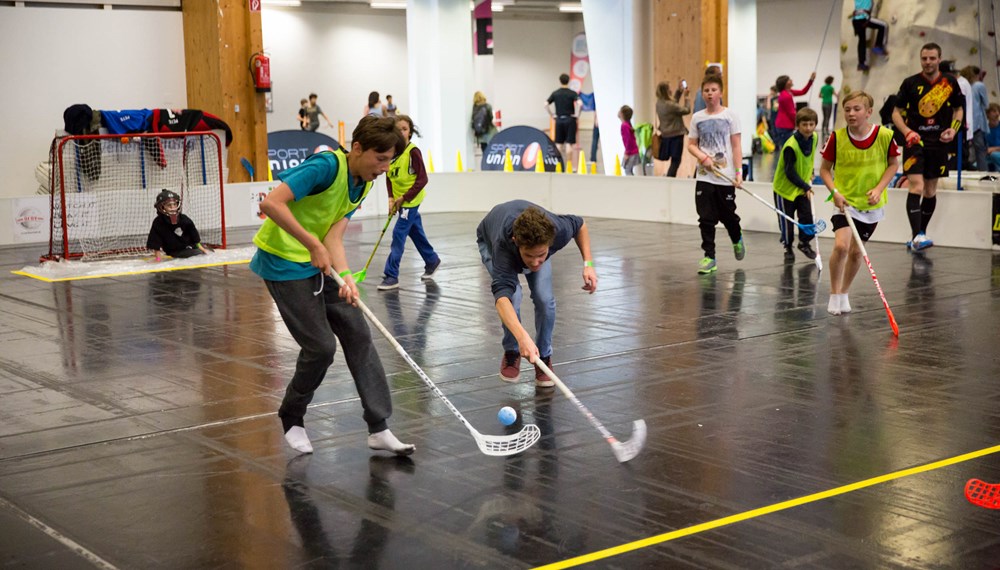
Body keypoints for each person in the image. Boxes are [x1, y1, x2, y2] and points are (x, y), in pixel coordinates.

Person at [250, 115, 414, 456]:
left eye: (390, 161)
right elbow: (271, 203)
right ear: (357, 148)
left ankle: (379, 427)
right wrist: (312, 244)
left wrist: (347, 277)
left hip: (320, 261)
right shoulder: (325, 167)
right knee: (322, 348)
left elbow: (334, 235)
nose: (384, 167)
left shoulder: (365, 182)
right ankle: (292, 415)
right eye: (380, 158)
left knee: (358, 333)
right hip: (283, 262)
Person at [476, 200, 597, 388]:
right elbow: (501, 299)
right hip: (489, 241)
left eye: (541, 254)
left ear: (550, 242)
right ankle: (511, 352)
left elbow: (580, 224)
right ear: (516, 242)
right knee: (512, 296)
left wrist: (588, 265)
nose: (535, 263)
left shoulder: (557, 230)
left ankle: (544, 357)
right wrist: (522, 337)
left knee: (545, 299)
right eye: (529, 256)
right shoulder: (504, 247)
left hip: (531, 242)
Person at [818, 90, 900, 315]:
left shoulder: (884, 136)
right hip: (844, 202)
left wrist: (879, 188)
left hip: (871, 205)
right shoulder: (837, 137)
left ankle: (844, 292)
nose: (851, 114)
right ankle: (834, 293)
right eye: (847, 110)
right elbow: (824, 170)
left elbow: (893, 164)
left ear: (869, 112)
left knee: (856, 253)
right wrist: (834, 191)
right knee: (841, 246)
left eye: (857, 109)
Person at [892, 42, 964, 251]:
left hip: (939, 143)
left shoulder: (949, 82)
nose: (928, 62)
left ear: (939, 59)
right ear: (920, 59)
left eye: (932, 58)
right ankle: (916, 236)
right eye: (924, 58)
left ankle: (920, 233)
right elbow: (895, 112)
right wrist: (907, 132)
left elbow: (958, 110)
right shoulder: (910, 83)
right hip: (915, 142)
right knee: (917, 186)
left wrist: (953, 129)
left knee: (931, 191)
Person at [687, 74, 746, 275]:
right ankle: (709, 257)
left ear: (720, 92)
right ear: (702, 93)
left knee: (728, 215)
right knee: (706, 217)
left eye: (713, 90)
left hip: (726, 175)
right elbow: (691, 145)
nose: (710, 94)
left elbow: (737, 146)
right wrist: (703, 158)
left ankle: (736, 237)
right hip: (704, 175)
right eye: (706, 90)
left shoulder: (730, 116)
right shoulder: (697, 118)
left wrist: (739, 172)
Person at [378, 115, 442, 290]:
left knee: (399, 234)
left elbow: (422, 179)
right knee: (415, 231)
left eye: (405, 129)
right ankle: (432, 260)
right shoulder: (391, 153)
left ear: (410, 132)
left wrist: (404, 198)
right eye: (398, 129)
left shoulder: (413, 152)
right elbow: (388, 176)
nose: (401, 132)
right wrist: (391, 198)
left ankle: (391, 275)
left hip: (411, 200)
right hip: (399, 200)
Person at [772, 107, 819, 262]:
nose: (808, 128)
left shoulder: (815, 138)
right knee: (787, 222)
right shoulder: (790, 146)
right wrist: (806, 186)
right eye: (804, 125)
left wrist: (810, 172)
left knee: (807, 217)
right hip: (785, 189)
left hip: (801, 187)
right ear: (797, 125)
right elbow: (789, 172)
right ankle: (788, 247)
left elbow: (810, 157)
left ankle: (804, 243)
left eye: (811, 124)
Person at [147, 189, 208, 261]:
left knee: (201, 253)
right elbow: (155, 242)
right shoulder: (158, 222)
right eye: (169, 205)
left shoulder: (184, 218)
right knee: (196, 254)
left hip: (191, 247)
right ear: (162, 207)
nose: (172, 208)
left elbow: (194, 235)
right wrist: (158, 258)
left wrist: (202, 249)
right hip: (174, 251)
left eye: (174, 204)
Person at [545, 74, 581, 171]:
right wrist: (577, 114)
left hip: (559, 119)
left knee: (559, 144)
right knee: (569, 143)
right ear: (568, 81)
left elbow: (545, 104)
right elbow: (580, 104)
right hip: (570, 119)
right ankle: (569, 165)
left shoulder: (555, 93)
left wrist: (552, 115)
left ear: (560, 81)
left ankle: (558, 165)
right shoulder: (572, 93)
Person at [654, 81, 690, 177]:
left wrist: (679, 91)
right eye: (669, 88)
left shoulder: (659, 103)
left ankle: (669, 177)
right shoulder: (670, 105)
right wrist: (686, 98)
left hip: (666, 135)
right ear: (666, 91)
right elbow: (686, 110)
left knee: (673, 159)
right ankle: (670, 178)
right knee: (676, 160)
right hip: (676, 136)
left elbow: (673, 103)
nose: (671, 90)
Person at [773, 72, 816, 152]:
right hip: (784, 126)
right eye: (789, 79)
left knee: (787, 148)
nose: (791, 80)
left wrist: (811, 80)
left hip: (783, 126)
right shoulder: (786, 96)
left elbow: (803, 92)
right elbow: (792, 113)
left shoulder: (788, 92)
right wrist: (798, 124)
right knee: (788, 149)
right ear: (785, 83)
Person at [962, 66, 989, 171]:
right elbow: (986, 104)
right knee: (980, 150)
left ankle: (968, 169)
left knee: (967, 150)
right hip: (977, 122)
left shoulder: (964, 85)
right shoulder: (979, 85)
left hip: (966, 122)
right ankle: (983, 172)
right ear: (976, 75)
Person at [852, 0, 889, 71]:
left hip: (855, 20)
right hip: (864, 17)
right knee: (884, 25)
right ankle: (879, 46)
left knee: (861, 40)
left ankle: (861, 63)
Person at [619, 105, 640, 176]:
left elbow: (628, 140)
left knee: (627, 170)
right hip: (633, 151)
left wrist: (627, 153)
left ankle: (632, 185)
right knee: (628, 169)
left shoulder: (624, 125)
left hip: (631, 152)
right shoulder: (627, 125)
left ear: (622, 114)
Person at [987, 103, 1000, 171]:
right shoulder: (985, 129)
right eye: (994, 111)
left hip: (997, 154)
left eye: (998, 111)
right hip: (988, 156)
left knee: (994, 155)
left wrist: (994, 149)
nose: (997, 113)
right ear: (988, 114)